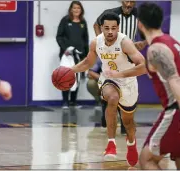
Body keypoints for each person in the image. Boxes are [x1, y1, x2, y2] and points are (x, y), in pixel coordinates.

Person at [135, 2, 180, 170]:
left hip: (179, 110)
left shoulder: (156, 49)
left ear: (140, 24)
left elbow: (174, 79)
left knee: (147, 160)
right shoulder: (171, 41)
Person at [71, 12, 146, 166]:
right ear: (101, 28)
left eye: (113, 28)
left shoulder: (125, 42)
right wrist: (69, 71)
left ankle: (131, 144)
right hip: (109, 79)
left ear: (118, 28)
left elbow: (143, 66)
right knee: (111, 98)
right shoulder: (96, 43)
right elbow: (87, 63)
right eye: (106, 28)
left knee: (128, 122)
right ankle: (111, 143)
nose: (110, 32)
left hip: (128, 81)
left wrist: (120, 73)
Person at [94, 1, 146, 134]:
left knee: (128, 88)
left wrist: (143, 42)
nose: (128, 4)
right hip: (111, 53)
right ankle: (107, 117)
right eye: (126, 0)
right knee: (110, 87)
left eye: (132, 1)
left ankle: (125, 124)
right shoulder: (111, 13)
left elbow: (149, 31)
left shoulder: (139, 14)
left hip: (127, 54)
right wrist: (102, 42)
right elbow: (96, 25)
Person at [56, 1, 89, 108]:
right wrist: (65, 48)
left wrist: (87, 55)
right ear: (71, 9)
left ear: (81, 10)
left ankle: (73, 102)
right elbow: (59, 36)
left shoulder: (83, 22)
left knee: (77, 78)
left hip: (79, 55)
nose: (76, 10)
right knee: (66, 77)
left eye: (78, 8)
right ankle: (65, 101)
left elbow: (85, 39)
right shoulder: (65, 21)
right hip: (67, 55)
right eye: (74, 8)